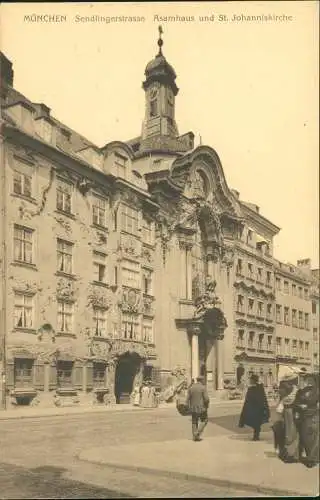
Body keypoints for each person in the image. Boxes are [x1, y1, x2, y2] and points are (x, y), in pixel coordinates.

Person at [272, 374, 300, 462]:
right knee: (289, 434)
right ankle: (289, 454)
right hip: (288, 413)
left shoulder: (294, 390)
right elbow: (281, 404)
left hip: (291, 413)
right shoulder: (289, 390)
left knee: (291, 433)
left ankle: (291, 454)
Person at [294, 374, 319, 468]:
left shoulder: (317, 390)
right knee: (305, 437)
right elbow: (296, 402)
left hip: (314, 415)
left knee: (313, 437)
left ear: (314, 380)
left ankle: (312, 459)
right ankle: (309, 456)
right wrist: (299, 406)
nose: (309, 381)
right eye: (307, 379)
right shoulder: (302, 390)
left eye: (311, 379)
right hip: (303, 416)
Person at [239, 374, 270, 441]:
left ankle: (256, 436)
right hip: (257, 408)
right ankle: (256, 436)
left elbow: (249, 399)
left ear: (253, 380)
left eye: (250, 380)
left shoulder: (254, 388)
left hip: (257, 408)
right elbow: (263, 398)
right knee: (256, 423)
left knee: (256, 422)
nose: (250, 381)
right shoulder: (258, 388)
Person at [186, 376, 209, 441]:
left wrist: (188, 407)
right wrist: (206, 405)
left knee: (194, 421)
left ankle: (195, 437)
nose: (204, 381)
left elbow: (187, 399)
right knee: (205, 420)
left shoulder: (191, 388)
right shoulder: (203, 388)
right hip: (202, 408)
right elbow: (206, 399)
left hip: (193, 408)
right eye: (204, 380)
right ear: (201, 380)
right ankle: (197, 433)